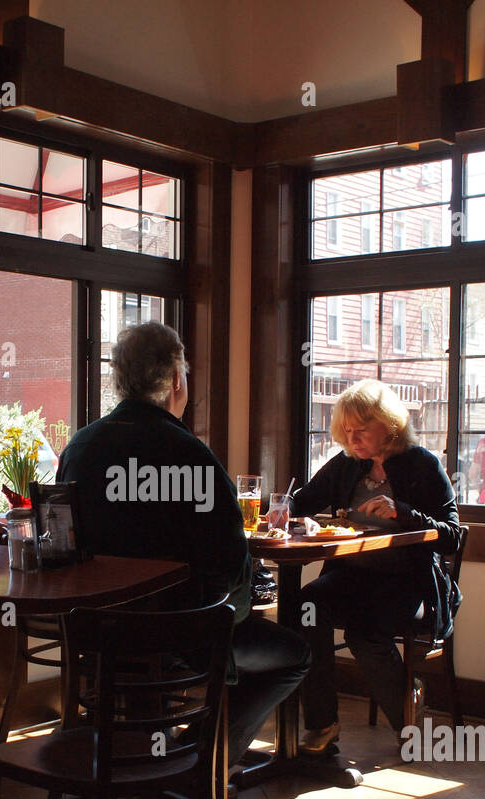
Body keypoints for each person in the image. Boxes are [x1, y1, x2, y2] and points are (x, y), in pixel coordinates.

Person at [57, 321, 310, 764]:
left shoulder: (80, 448)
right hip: (181, 635)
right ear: (176, 380)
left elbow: (65, 539)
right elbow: (230, 564)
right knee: (296, 656)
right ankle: (200, 763)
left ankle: (169, 760)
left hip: (94, 631)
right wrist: (238, 607)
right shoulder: (190, 454)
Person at [290, 380, 463, 752]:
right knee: (306, 608)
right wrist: (281, 508)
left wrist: (404, 513)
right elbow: (301, 501)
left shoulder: (423, 465)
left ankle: (406, 721)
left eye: (362, 430)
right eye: (347, 431)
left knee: (364, 633)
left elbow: (452, 536)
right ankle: (323, 724)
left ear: (389, 425)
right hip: (350, 575)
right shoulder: (347, 464)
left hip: (408, 581)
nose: (353, 440)